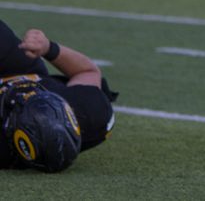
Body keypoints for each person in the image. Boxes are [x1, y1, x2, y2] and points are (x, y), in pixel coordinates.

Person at [0, 19, 117, 172]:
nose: (23, 95)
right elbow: (87, 71)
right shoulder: (91, 114)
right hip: (20, 69)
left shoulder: (4, 149)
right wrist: (48, 48)